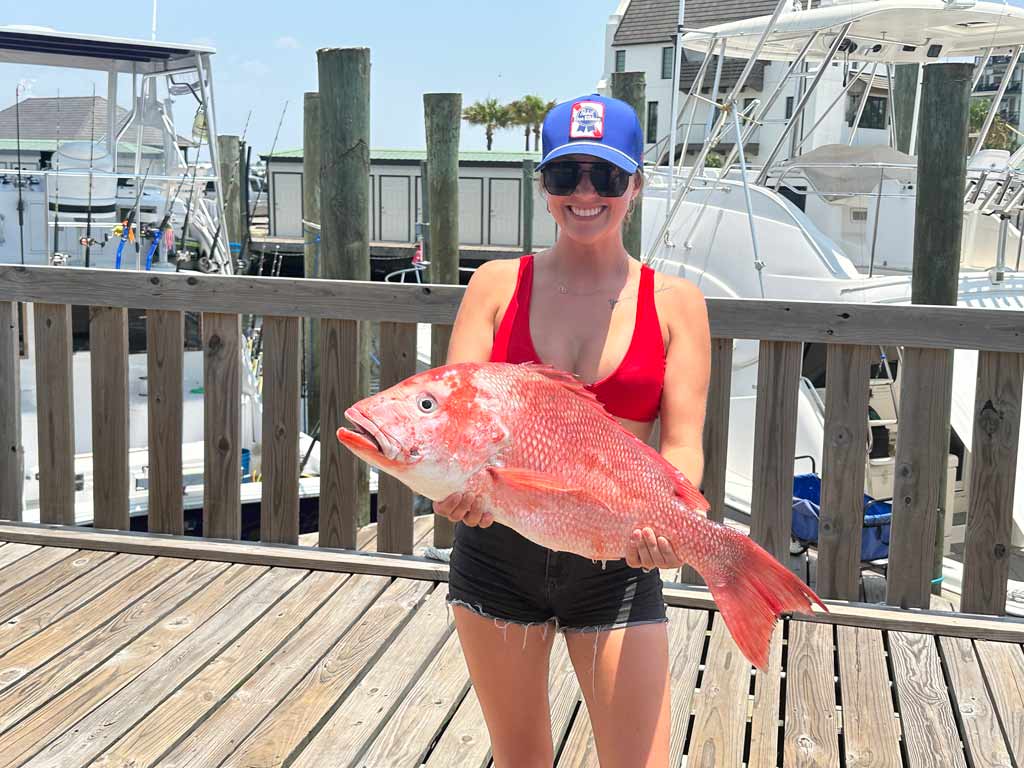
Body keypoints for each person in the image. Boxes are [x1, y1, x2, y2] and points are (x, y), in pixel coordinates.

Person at [435, 93, 711, 768]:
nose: (586, 193)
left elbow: (681, 447)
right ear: (544, 187)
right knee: (521, 758)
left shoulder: (677, 303)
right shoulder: (497, 285)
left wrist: (670, 526)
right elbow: (450, 420)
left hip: (616, 563)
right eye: (567, 175)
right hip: (497, 555)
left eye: (607, 176)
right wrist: (450, 489)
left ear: (636, 186)